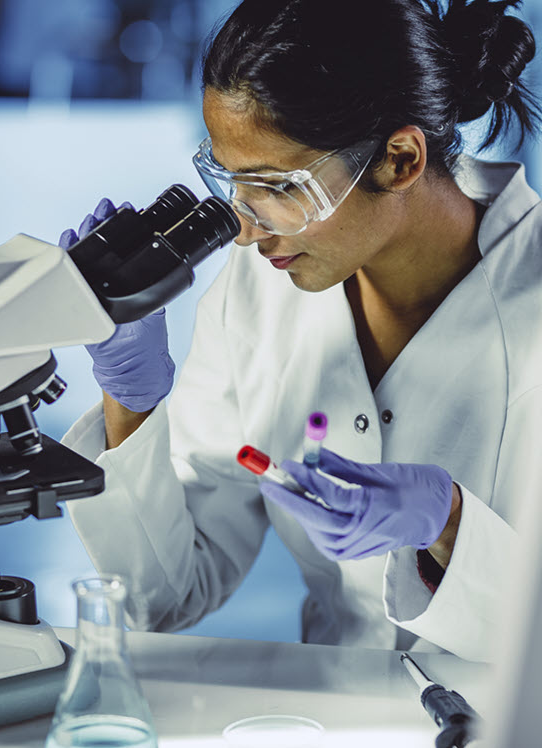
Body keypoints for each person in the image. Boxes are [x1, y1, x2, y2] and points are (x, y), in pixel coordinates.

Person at [60, 0, 542, 661]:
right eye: (231, 182)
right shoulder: (261, 290)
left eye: (279, 187)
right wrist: (131, 403)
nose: (248, 229)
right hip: (334, 711)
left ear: (400, 159)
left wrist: (451, 525)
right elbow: (165, 596)